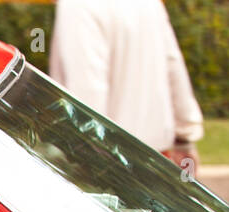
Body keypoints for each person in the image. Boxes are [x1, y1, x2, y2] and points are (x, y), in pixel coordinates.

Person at [51, 0, 204, 168]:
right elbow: (173, 66)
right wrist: (184, 139)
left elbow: (87, 91)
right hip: (157, 158)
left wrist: (83, 151)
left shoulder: (77, 6)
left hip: (110, 162)